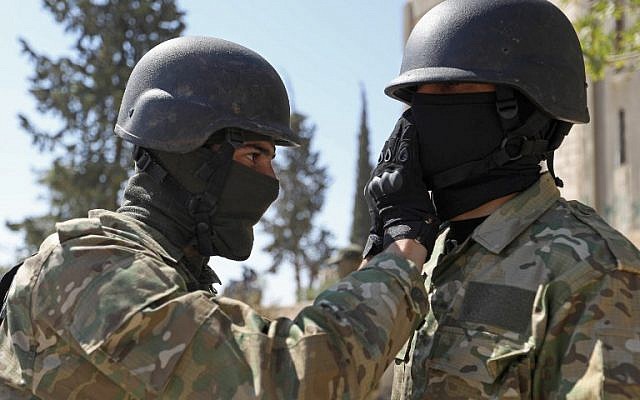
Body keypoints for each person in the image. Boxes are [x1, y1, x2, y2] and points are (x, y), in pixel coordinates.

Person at [0, 36, 440, 399]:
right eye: (252, 156)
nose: (270, 180)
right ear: (186, 153)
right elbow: (282, 382)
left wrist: (377, 268)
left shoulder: (168, 276)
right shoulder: (90, 269)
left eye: (271, 159)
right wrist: (401, 259)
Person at [364, 0, 640, 398]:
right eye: (415, 98)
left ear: (523, 112)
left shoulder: (592, 272)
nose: (415, 121)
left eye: (448, 89)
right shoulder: (423, 261)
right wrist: (388, 255)